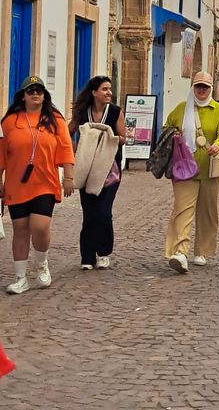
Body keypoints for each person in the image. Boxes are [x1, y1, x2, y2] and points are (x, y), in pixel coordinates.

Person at [0, 75, 75, 294]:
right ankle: (20, 277)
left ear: (45, 96)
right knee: (20, 229)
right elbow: (1, 154)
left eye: (39, 91)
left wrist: (68, 177)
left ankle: (42, 263)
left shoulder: (54, 120)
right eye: (30, 90)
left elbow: (65, 148)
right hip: (17, 184)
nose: (35, 94)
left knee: (40, 227)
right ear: (22, 96)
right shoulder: (9, 122)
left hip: (45, 182)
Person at [164, 71, 219, 273]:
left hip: (210, 168)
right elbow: (166, 126)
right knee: (182, 209)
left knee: (207, 211)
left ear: (211, 88)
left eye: (205, 87)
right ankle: (179, 252)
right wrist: (174, 134)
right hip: (184, 168)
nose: (201, 90)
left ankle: (202, 250)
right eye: (198, 86)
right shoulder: (181, 109)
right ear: (192, 87)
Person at [70, 76, 127, 270]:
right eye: (104, 89)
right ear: (94, 92)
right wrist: (74, 147)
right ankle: (87, 256)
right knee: (89, 213)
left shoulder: (115, 112)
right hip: (87, 169)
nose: (109, 92)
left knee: (103, 212)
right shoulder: (82, 112)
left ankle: (103, 252)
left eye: (110, 89)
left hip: (109, 171)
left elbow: (123, 138)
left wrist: (108, 136)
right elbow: (68, 132)